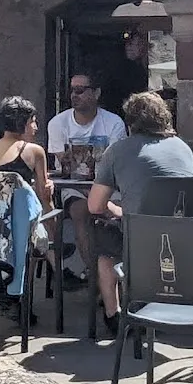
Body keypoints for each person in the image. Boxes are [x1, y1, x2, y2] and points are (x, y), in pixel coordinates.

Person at [87, 91, 193, 336]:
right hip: (186, 238)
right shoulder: (183, 148)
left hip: (141, 239)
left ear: (130, 122)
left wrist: (117, 210)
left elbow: (95, 206)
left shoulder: (117, 151)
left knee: (104, 243)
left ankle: (113, 314)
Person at [0, 96, 80, 299]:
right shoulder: (33, 151)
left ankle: (5, 285)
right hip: (18, 229)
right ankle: (32, 287)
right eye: (33, 121)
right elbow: (44, 197)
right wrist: (55, 230)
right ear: (22, 124)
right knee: (38, 226)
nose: (36, 127)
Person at [47, 72, 128, 289]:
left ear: (96, 93)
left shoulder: (113, 122)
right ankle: (97, 279)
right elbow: (65, 164)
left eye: (80, 90)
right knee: (80, 211)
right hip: (73, 186)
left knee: (120, 211)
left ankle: (119, 276)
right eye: (72, 90)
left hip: (109, 185)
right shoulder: (58, 123)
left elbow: (115, 163)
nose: (75, 95)